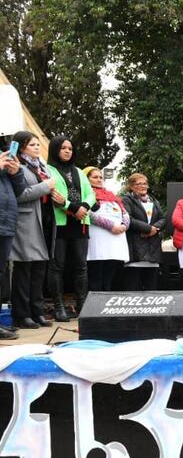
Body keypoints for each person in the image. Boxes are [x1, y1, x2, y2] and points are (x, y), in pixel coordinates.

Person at [10, 131, 57, 332]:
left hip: (45, 219)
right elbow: (19, 195)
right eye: (32, 145)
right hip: (26, 220)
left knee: (39, 268)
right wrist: (45, 187)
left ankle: (37, 311)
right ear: (21, 148)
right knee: (25, 268)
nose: (37, 147)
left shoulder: (43, 166)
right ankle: (23, 314)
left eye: (38, 144)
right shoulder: (16, 167)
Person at [47, 136, 95, 321]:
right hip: (60, 224)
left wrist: (82, 207)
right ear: (55, 150)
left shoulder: (79, 171)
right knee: (57, 266)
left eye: (70, 148)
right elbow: (55, 197)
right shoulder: (48, 170)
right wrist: (72, 207)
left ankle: (82, 304)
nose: (68, 151)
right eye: (63, 148)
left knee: (81, 267)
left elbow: (91, 194)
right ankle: (59, 307)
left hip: (81, 223)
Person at [84, 166, 130, 292]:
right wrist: (111, 226)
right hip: (98, 239)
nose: (99, 180)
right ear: (86, 179)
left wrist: (124, 226)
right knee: (96, 271)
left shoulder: (111, 195)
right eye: (95, 177)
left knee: (110, 270)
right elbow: (88, 214)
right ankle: (95, 301)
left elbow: (124, 213)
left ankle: (107, 296)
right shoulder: (86, 193)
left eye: (100, 177)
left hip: (116, 239)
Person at [122, 173, 165, 291]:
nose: (142, 186)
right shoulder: (126, 200)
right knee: (133, 286)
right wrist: (147, 229)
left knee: (151, 286)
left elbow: (162, 218)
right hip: (135, 247)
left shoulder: (153, 200)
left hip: (153, 248)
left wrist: (154, 229)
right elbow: (128, 219)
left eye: (145, 183)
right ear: (131, 186)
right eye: (138, 184)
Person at [0, 149, 27, 336]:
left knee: (1, 273)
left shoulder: (4, 156)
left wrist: (16, 172)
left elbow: (20, 191)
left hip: (7, 223)